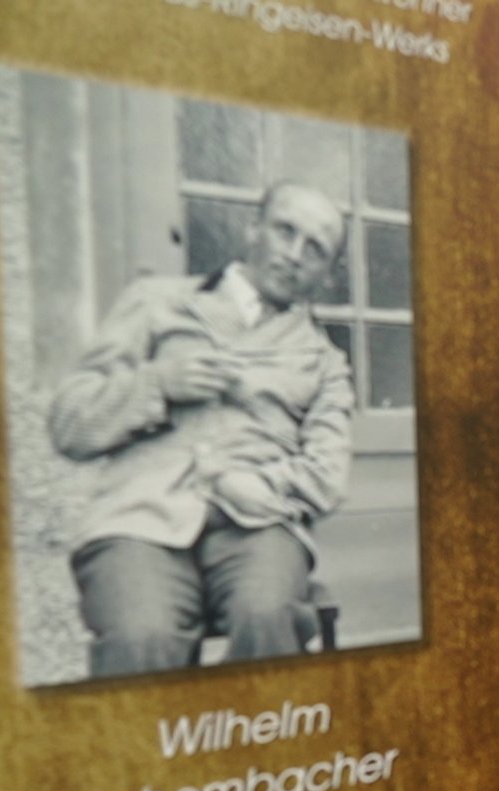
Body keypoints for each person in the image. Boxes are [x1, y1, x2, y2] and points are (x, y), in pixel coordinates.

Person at [49, 181, 355, 678]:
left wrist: (251, 487)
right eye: (285, 231)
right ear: (253, 229)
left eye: (315, 248)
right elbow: (68, 424)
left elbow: (328, 475)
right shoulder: (155, 302)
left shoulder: (324, 362)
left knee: (268, 621)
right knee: (141, 638)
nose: (295, 254)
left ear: (326, 275)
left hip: (258, 525)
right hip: (141, 519)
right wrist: (157, 385)